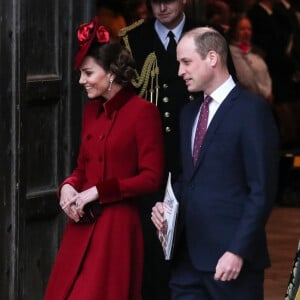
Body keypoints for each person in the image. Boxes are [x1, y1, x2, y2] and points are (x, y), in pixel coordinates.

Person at [119, 2, 237, 298]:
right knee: (151, 249)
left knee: (195, 243)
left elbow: (226, 91)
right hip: (148, 159)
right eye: (154, 0)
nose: (161, 7)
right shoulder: (132, 39)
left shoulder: (209, 35)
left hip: (197, 154)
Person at [151, 27, 279, 299]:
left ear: (212, 58)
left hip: (232, 263)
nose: (179, 72)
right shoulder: (188, 113)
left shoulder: (252, 110)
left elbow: (262, 191)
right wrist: (167, 208)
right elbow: (190, 180)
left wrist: (237, 251)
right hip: (187, 260)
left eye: (186, 62)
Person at [44, 16, 164, 300]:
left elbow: (151, 178)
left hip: (117, 230)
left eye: (88, 73)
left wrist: (98, 191)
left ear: (111, 73)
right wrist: (68, 187)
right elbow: (83, 167)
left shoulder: (143, 112)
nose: (81, 81)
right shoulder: (91, 112)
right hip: (81, 226)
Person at [228, 15, 273, 102]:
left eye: (249, 29)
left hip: (263, 98)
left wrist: (269, 91)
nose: (246, 32)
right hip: (248, 99)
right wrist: (265, 93)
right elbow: (246, 79)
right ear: (234, 31)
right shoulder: (232, 52)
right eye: (242, 29)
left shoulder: (255, 50)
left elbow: (266, 74)